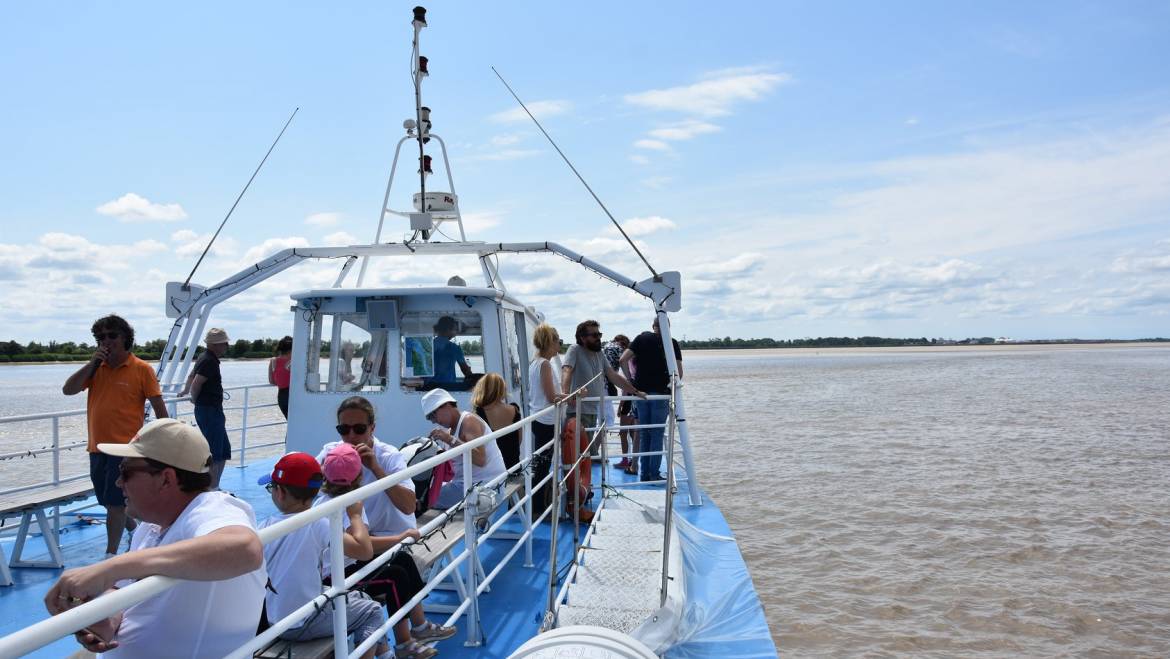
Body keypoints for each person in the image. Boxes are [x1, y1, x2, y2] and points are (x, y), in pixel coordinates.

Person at [44, 418, 266, 658]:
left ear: (166, 479)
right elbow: (125, 588)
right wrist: (107, 618)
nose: (119, 482)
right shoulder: (151, 526)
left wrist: (111, 568)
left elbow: (244, 549)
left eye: (125, 472)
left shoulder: (211, 509)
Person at [314, 444, 452, 659]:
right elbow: (364, 549)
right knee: (393, 577)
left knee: (402, 558)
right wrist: (398, 538)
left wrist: (399, 542)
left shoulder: (335, 501)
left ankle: (419, 627)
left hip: (345, 566)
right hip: (334, 578)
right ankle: (404, 642)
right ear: (359, 475)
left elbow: (360, 546)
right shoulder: (350, 505)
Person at [257, 451, 388, 659]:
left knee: (358, 596)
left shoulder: (263, 528)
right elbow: (364, 551)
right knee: (372, 611)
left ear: (280, 492)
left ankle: (385, 655)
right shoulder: (317, 523)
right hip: (302, 622)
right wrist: (355, 516)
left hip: (277, 617)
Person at [62, 314, 169, 558]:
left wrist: (163, 443)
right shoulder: (95, 370)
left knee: (115, 503)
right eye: (100, 338)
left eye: (112, 336)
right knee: (106, 500)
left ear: (125, 338)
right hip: (97, 447)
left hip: (125, 449)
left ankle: (110, 555)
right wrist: (91, 365)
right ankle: (134, 528)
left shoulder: (142, 369)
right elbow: (68, 390)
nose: (106, 341)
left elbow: (160, 409)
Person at [316, 396, 418, 552]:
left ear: (372, 428)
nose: (351, 436)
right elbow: (301, 490)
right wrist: (323, 473)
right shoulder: (331, 453)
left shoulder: (389, 456)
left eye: (359, 429)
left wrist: (376, 468)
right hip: (356, 538)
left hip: (391, 536)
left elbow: (409, 506)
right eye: (343, 429)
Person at [561, 320, 643, 456]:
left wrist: (635, 391)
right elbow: (566, 369)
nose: (599, 338)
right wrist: (565, 394)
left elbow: (612, 375)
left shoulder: (599, 354)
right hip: (577, 412)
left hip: (592, 411)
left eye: (599, 334)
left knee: (586, 454)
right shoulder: (575, 349)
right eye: (594, 335)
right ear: (582, 338)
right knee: (584, 454)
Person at [620, 317, 683, 481]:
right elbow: (679, 373)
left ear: (653, 326)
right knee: (656, 433)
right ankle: (653, 474)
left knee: (643, 433)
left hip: (641, 394)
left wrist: (630, 381)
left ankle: (643, 473)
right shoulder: (672, 342)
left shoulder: (641, 339)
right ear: (668, 326)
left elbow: (622, 360)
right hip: (661, 393)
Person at [422, 389, 507, 509]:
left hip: (485, 487)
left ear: (446, 405)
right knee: (426, 491)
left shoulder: (468, 422)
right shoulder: (452, 430)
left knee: (425, 499)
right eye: (429, 418)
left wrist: (449, 440)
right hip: (471, 484)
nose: (433, 421)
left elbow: (480, 460)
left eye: (433, 415)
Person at [180, 327, 231, 489]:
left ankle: (214, 486)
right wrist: (193, 398)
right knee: (215, 452)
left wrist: (185, 391)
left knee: (222, 450)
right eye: (225, 343)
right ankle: (211, 488)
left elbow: (191, 376)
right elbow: (197, 382)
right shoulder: (209, 361)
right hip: (209, 410)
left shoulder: (204, 357)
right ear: (216, 345)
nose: (226, 346)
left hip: (211, 409)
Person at [526, 323, 563, 519]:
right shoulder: (545, 364)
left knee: (540, 464)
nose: (559, 346)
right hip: (546, 421)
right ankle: (537, 509)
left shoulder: (536, 363)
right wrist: (574, 396)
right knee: (542, 466)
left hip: (540, 419)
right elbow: (552, 397)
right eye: (558, 341)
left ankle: (535, 505)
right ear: (551, 342)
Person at [472, 372, 522, 471]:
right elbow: (519, 440)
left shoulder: (478, 413)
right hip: (513, 466)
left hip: (493, 470)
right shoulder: (514, 409)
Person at [601, 334, 637, 472]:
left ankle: (625, 460)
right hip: (632, 402)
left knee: (623, 433)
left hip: (628, 403)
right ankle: (633, 459)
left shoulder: (625, 365)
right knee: (633, 433)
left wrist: (621, 406)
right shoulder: (632, 366)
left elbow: (625, 391)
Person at [431, 315, 472, 384]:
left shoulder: (428, 345)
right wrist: (474, 380)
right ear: (448, 330)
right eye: (455, 330)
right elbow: (465, 370)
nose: (455, 334)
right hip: (449, 387)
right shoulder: (454, 348)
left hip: (428, 387)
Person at [268, 336, 293, 418]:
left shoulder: (273, 361)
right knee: (297, 423)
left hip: (281, 396)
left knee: (291, 423)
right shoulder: (292, 362)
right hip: (292, 395)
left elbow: (272, 381)